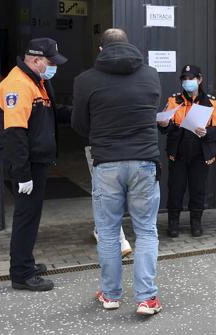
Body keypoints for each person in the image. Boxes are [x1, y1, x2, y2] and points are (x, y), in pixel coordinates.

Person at [72, 28, 163, 315]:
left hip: (107, 162)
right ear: (129, 45)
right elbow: (151, 111)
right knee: (146, 230)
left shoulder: (85, 80)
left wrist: (100, 135)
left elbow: (78, 124)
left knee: (109, 232)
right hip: (144, 161)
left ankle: (110, 295)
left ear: (101, 50)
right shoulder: (150, 74)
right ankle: (147, 298)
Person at [0, 38, 71, 292]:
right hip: (26, 165)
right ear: (36, 60)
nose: (53, 68)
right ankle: (21, 273)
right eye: (50, 63)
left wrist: (81, 112)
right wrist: (22, 174)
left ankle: (25, 262)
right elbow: (14, 133)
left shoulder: (36, 81)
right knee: (25, 218)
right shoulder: (17, 84)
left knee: (31, 215)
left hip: (37, 162)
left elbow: (51, 111)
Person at [158, 65, 216, 237]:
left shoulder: (211, 103)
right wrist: (164, 124)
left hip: (200, 155)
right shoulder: (174, 101)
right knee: (176, 188)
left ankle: (196, 223)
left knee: (198, 189)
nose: (188, 82)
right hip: (178, 154)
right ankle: (173, 223)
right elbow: (165, 126)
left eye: (191, 78)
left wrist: (207, 132)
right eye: (184, 79)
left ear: (200, 79)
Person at [84, 145, 133, 257]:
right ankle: (99, 229)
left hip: (99, 145)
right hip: (128, 148)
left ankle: (121, 241)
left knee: (103, 191)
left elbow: (80, 127)